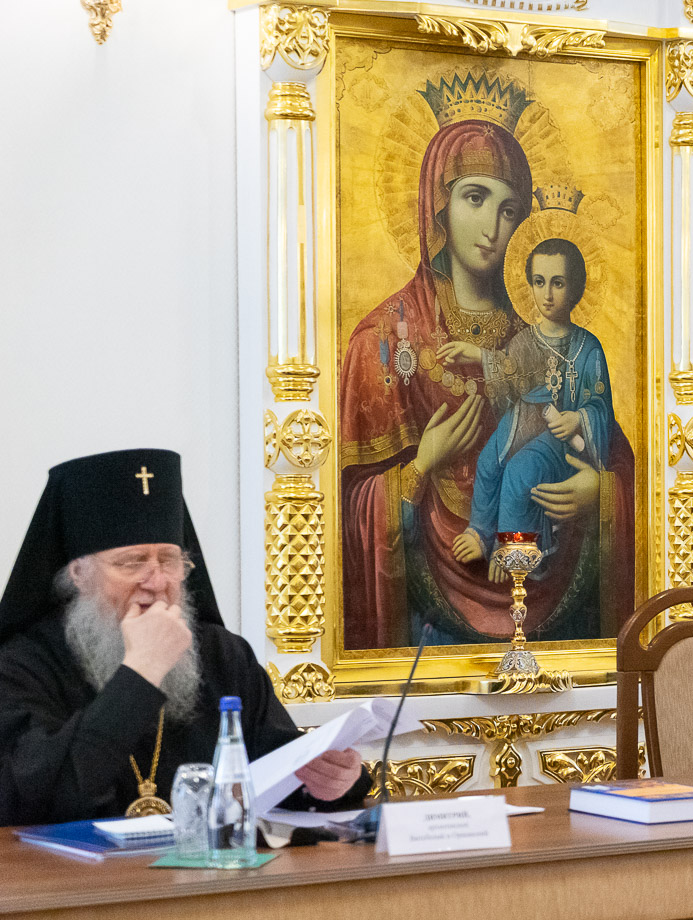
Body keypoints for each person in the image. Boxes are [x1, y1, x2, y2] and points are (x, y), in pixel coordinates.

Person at [339, 72, 634, 649]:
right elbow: (345, 512)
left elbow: (621, 466)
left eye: (509, 210)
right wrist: (420, 467)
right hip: (430, 630)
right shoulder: (383, 338)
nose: (494, 229)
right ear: (438, 205)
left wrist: (598, 493)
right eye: (475, 198)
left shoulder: (547, 338)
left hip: (552, 600)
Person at [0, 449, 370, 826]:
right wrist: (141, 672)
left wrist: (333, 781)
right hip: (70, 866)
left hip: (206, 864)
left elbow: (278, 768)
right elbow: (33, 799)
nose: (157, 581)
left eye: (169, 560)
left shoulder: (222, 654)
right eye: (132, 562)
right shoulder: (20, 666)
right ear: (78, 574)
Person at [450, 239, 615, 577]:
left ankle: (515, 549)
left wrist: (578, 418)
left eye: (558, 283)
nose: (547, 294)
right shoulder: (525, 340)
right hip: (523, 420)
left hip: (558, 439)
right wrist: (478, 355)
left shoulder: (589, 348)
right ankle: (480, 532)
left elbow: (600, 407)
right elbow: (509, 372)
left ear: (576, 287)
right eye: (539, 282)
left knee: (520, 472)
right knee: (488, 462)